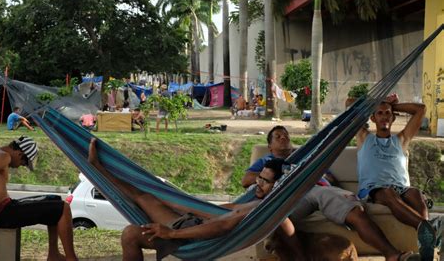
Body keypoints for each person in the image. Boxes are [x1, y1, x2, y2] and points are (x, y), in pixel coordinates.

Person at [87, 138, 300, 261]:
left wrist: (172, 233)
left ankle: (98, 168)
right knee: (144, 197)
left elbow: (222, 226)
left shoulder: (265, 210)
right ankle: (97, 167)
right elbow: (216, 211)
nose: (258, 184)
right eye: (259, 178)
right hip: (191, 222)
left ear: (279, 186)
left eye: (265, 181)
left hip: (194, 237)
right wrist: (180, 203)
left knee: (131, 234)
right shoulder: (258, 203)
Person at [242, 125, 418, 261]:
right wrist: (279, 174)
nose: (283, 138)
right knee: (275, 215)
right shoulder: (266, 160)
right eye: (278, 137)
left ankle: (392, 255)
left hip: (315, 189)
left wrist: (330, 185)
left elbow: (330, 180)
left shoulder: (305, 158)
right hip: (286, 197)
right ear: (270, 146)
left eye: (285, 135)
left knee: (354, 210)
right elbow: (246, 180)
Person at [356, 94, 442, 260]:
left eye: (387, 113)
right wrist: (380, 102)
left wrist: (392, 105)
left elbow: (421, 109)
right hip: (374, 189)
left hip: (402, 188)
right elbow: (350, 104)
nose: (384, 116)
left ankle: (426, 245)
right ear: (372, 118)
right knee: (388, 193)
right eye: (379, 113)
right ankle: (427, 227)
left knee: (416, 194)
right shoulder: (364, 137)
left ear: (393, 117)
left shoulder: (401, 139)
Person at [0, 136, 78, 261]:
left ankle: (53, 254)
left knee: (55, 199)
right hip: (3, 213)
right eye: (24, 163)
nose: (21, 166)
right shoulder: (4, 157)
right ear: (20, 154)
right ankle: (71, 258)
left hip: (6, 209)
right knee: (63, 207)